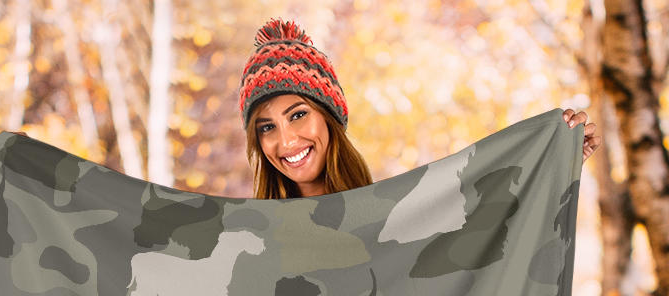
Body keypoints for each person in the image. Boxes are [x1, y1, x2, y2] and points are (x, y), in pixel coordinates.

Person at [238, 17, 601, 199]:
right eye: (266, 127)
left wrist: (552, 166)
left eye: (298, 114)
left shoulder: (389, 218)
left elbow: (480, 243)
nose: (286, 140)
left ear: (328, 117)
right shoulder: (249, 241)